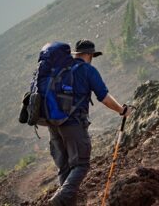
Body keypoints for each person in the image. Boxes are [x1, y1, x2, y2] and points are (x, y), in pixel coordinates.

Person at [48, 39, 134, 206]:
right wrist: (121, 110)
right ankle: (60, 198)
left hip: (53, 123)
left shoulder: (59, 69)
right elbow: (104, 97)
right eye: (92, 55)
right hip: (73, 123)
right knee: (81, 165)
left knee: (65, 168)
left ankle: (65, 201)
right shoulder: (87, 70)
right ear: (88, 55)